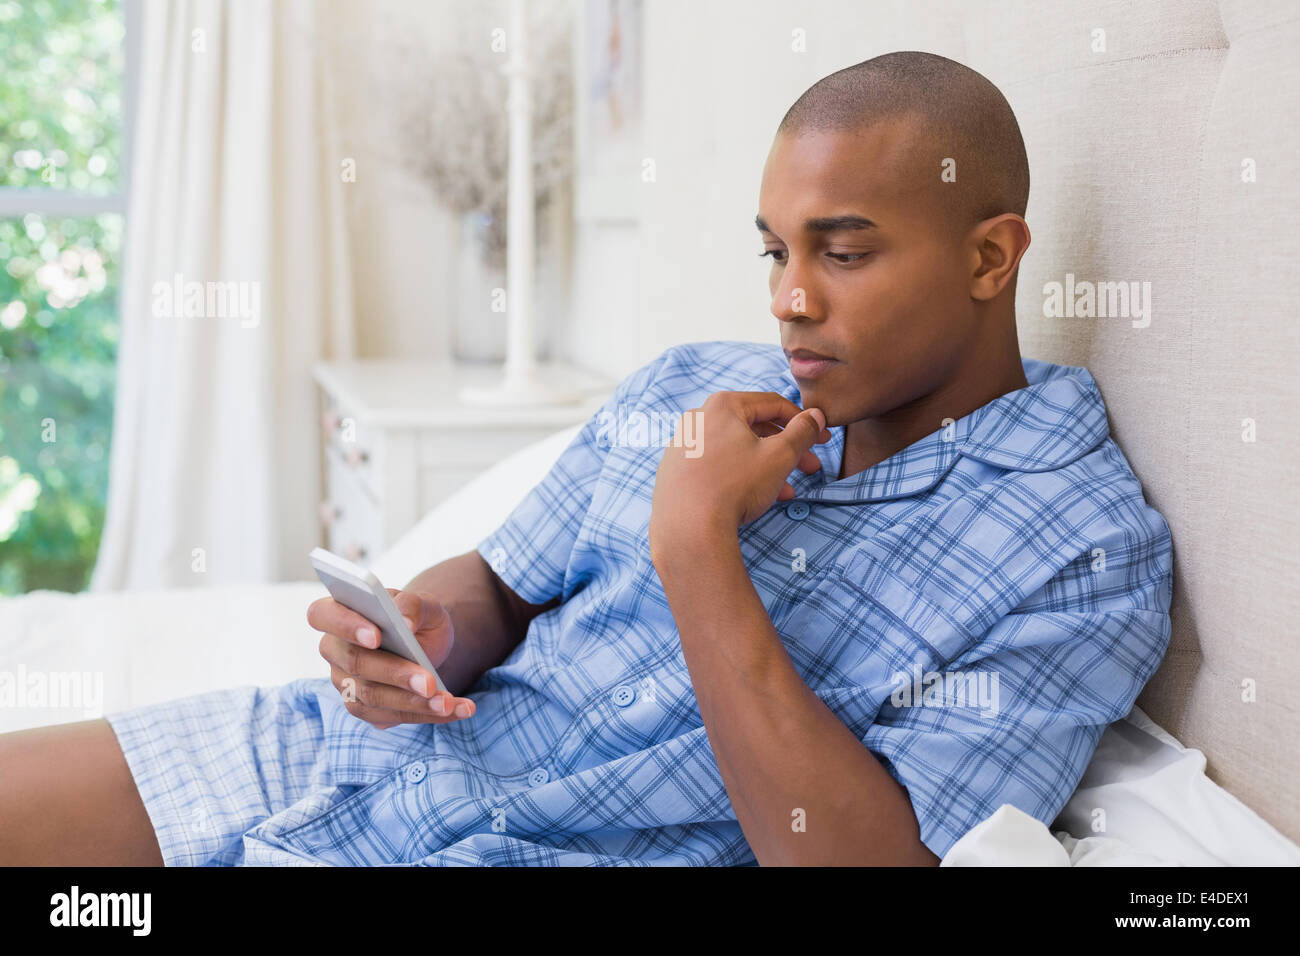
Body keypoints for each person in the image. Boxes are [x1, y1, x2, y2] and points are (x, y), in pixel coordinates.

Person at [0, 51, 1171, 866]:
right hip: (346, 757)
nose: (790, 298)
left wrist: (694, 543)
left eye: (844, 253)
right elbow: (505, 582)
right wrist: (426, 634)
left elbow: (869, 858)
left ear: (989, 257)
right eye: (772, 252)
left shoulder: (1084, 546)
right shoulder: (685, 386)